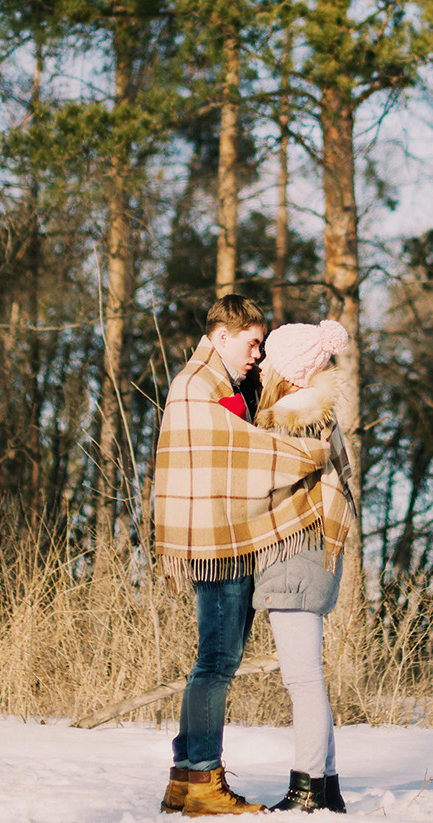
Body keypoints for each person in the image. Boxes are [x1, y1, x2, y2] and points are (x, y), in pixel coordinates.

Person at [153, 296, 353, 816]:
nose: (257, 355)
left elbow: (247, 450)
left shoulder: (232, 386)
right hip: (219, 539)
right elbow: (242, 455)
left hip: (238, 539)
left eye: (263, 347)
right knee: (217, 662)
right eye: (252, 343)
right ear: (221, 336)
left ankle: (187, 777)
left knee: (223, 662)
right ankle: (202, 779)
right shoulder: (198, 387)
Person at [251, 320, 357, 814]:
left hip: (293, 555)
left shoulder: (289, 422)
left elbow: (256, 486)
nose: (261, 366)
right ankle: (327, 784)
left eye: (268, 359)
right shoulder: (316, 417)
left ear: (286, 369)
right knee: (308, 676)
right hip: (312, 555)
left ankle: (307, 788)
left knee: (302, 678)